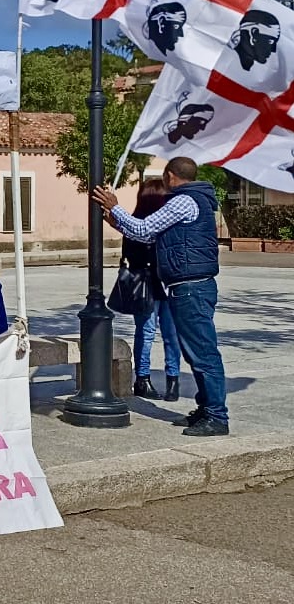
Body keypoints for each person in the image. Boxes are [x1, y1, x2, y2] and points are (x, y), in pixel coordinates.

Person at [93, 156, 229, 437]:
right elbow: (150, 237)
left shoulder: (182, 201)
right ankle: (206, 409)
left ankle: (217, 416)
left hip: (190, 286)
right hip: (191, 285)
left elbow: (144, 229)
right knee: (195, 352)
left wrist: (115, 206)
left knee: (202, 353)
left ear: (169, 176)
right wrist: (119, 223)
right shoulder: (197, 200)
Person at [121, 178, 182, 401]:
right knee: (148, 332)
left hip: (166, 283)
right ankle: (143, 379)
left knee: (170, 333)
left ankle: (172, 380)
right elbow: (132, 254)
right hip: (148, 284)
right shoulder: (138, 223)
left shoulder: (165, 222)